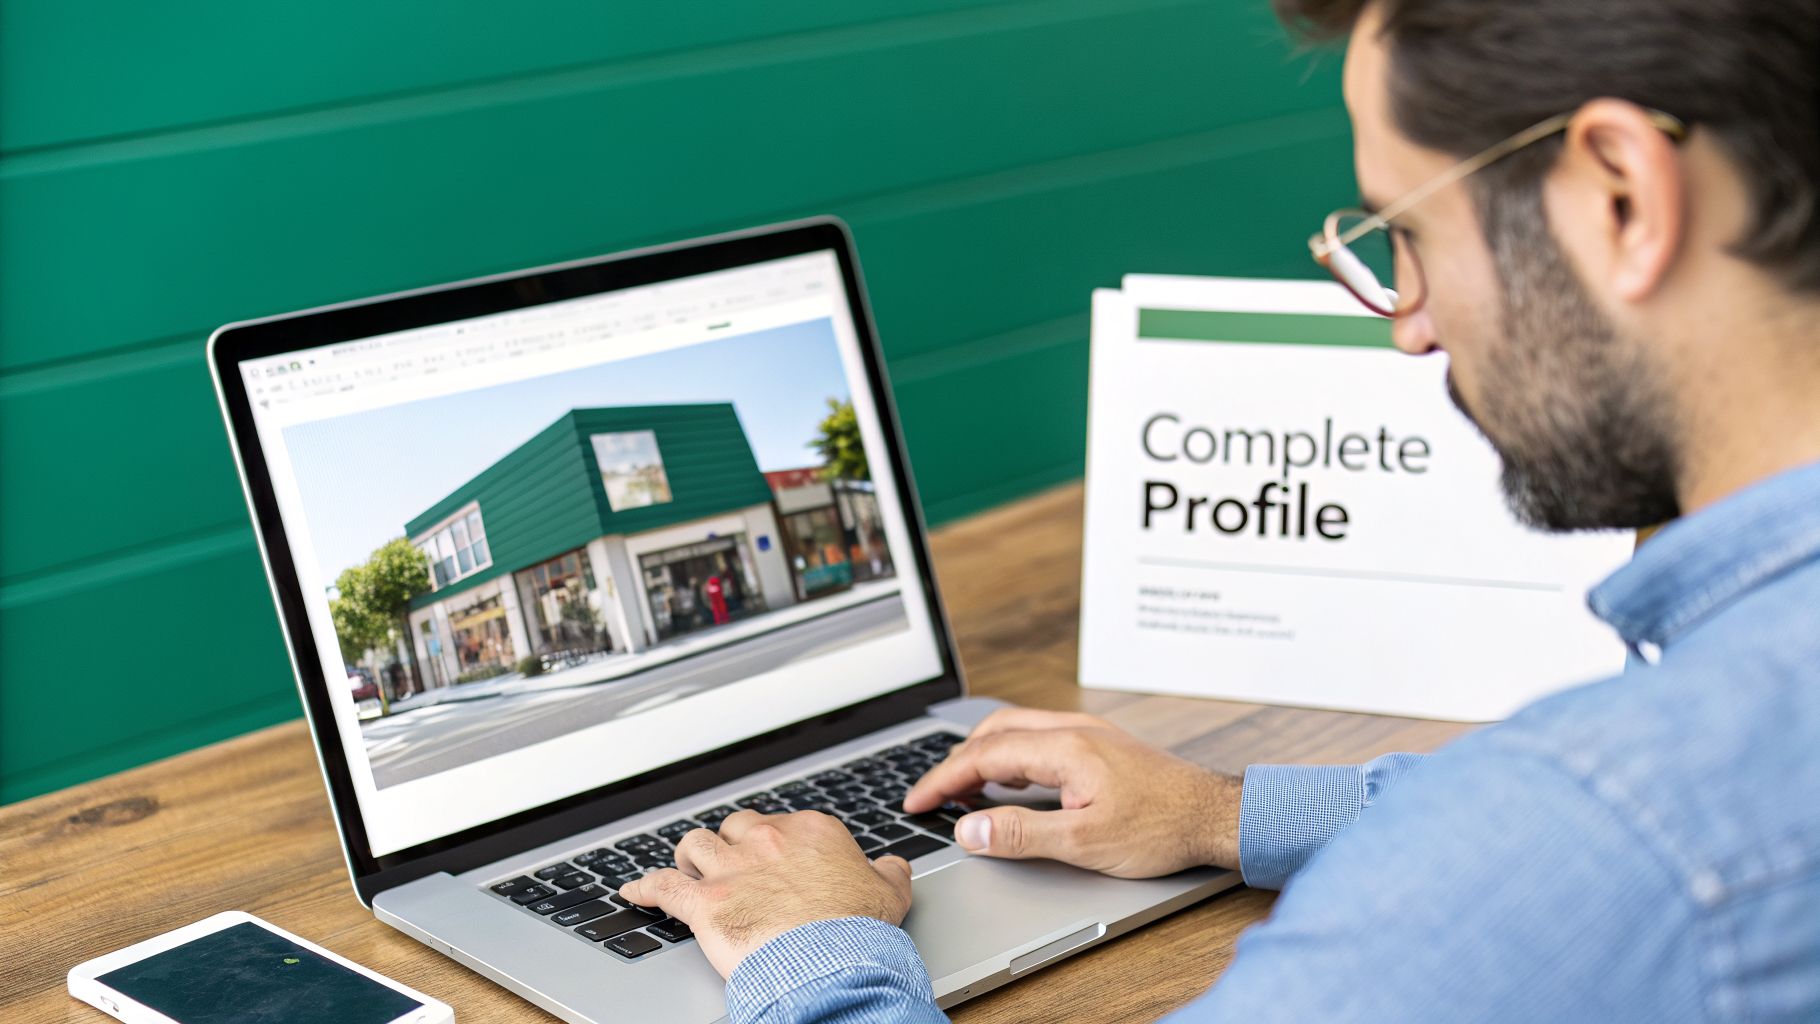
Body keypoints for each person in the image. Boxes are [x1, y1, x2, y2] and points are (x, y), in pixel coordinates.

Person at [620, 0, 1820, 1018]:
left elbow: (1569, 849)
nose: (1408, 320)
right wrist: (1220, 811)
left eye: (1407, 229)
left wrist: (811, 951)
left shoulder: (1579, 846)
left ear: (1620, 196)